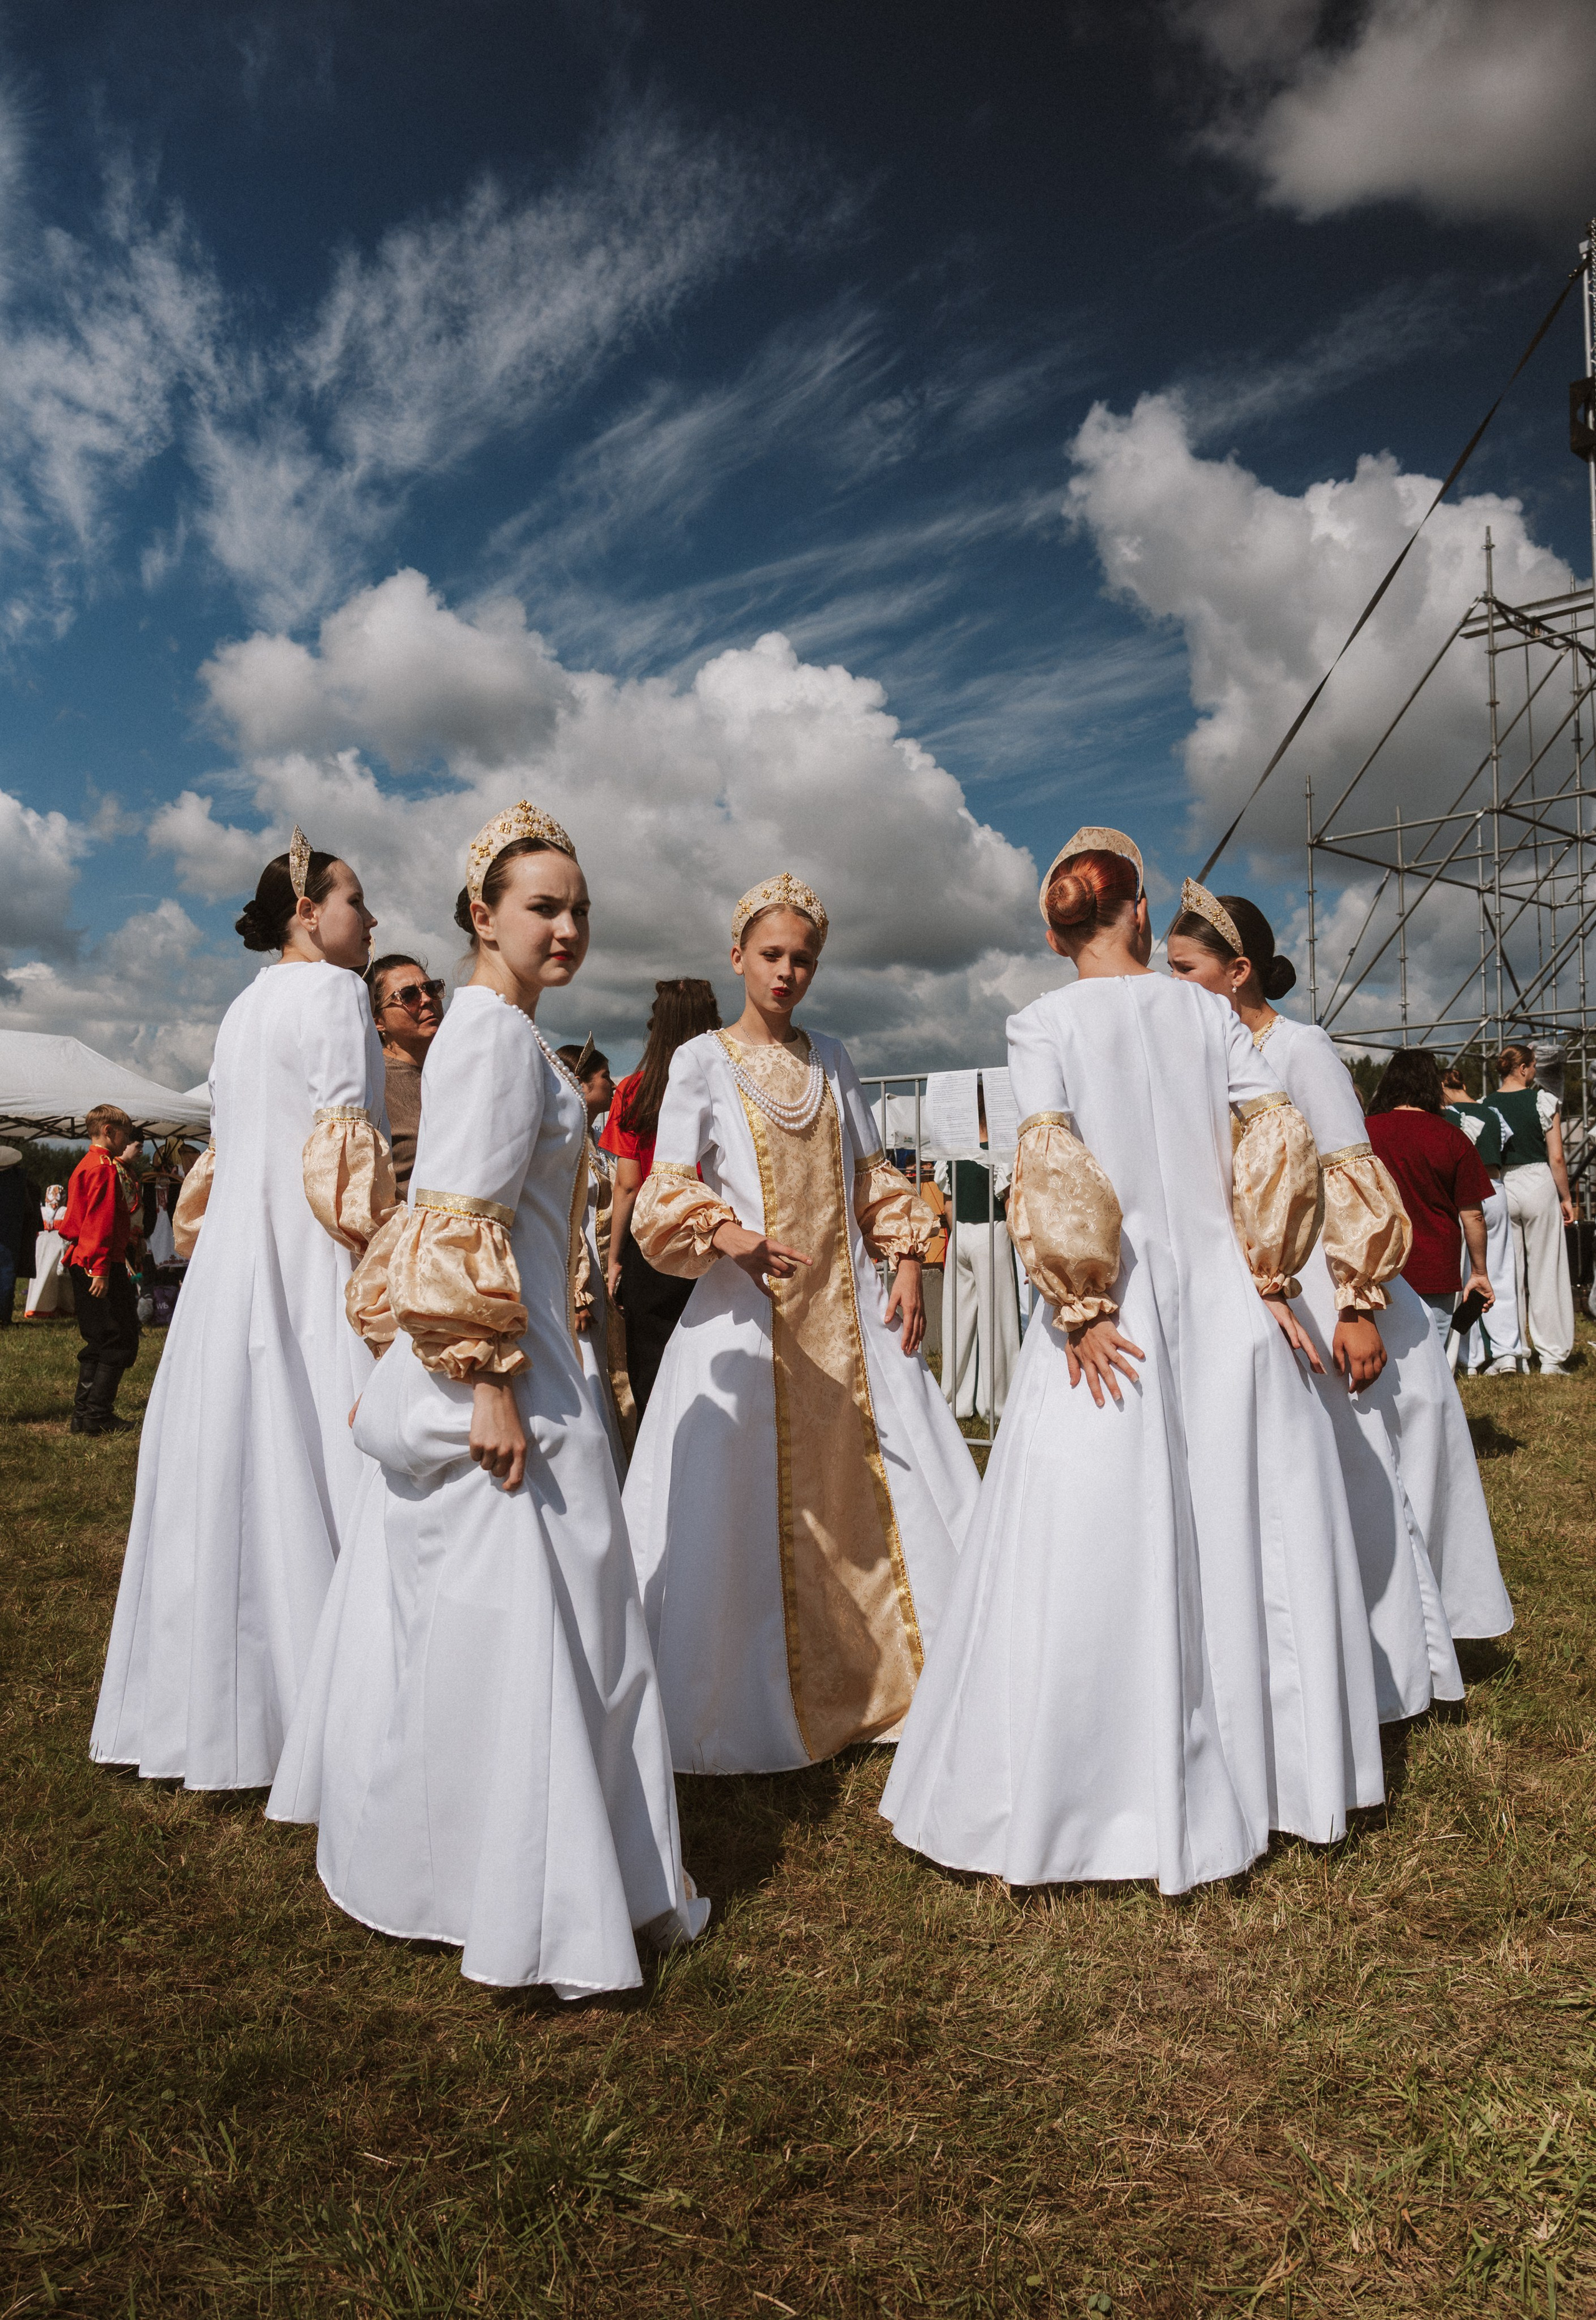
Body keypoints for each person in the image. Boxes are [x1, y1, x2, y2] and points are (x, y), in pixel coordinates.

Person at [882, 830, 1384, 1895]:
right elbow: (1278, 1142)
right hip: (1223, 1297)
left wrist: (1078, 1304)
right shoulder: (1208, 1012)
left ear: (1056, 928)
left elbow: (1048, 1157)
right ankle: (1279, 1773)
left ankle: (1098, 1789)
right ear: (1142, 913)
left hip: (1117, 1304)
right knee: (1248, 1525)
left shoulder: (1040, 1021)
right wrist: (1273, 1273)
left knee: (1097, 1535)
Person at [271, 804, 707, 1996]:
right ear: (483, 913)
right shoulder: (495, 1043)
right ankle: (515, 1881)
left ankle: (492, 1862)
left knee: (545, 1626)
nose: (567, 928)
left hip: (531, 1351)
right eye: (542, 906)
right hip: (510, 1370)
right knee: (540, 1621)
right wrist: (487, 1384)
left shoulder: (502, 1036)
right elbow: (455, 1214)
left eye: (578, 910)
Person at [622, 872, 981, 1776]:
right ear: (738, 956)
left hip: (850, 1311)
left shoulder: (835, 1058)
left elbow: (874, 1176)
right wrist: (727, 1232)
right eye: (773, 955)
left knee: (888, 1484)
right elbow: (668, 1186)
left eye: (804, 960)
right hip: (746, 1318)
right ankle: (748, 1692)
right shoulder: (702, 1060)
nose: (788, 973)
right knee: (743, 1508)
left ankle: (903, 1674)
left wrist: (904, 1263)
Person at [90, 830, 393, 1790]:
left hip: (233, 1257)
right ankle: (343, 1693)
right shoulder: (342, 995)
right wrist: (383, 1259)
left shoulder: (241, 1007)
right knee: (323, 1436)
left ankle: (218, 1697)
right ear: (308, 912)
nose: (371, 918)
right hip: (311, 1245)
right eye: (357, 900)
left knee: (231, 1453)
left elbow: (224, 1153)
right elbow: (346, 1145)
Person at [1168, 885, 1508, 1702]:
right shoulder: (1206, 1059)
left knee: (1357, 1473)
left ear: (1239, 970)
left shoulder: (1302, 1048)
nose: (1169, 985)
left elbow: (1353, 1176)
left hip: (1330, 1286)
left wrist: (1358, 1306)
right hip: (1265, 1290)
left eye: (1184, 970)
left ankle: (1396, 1678)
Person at [602, 979, 723, 1418]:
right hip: (715, 1235)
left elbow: (628, 1186)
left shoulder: (633, 1090)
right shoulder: (724, 1083)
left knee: (651, 1365)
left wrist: (616, 1258)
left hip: (652, 1242)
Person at [1364, 1052, 1495, 1347]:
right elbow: (1473, 1215)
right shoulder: (1453, 1137)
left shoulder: (1365, 1131)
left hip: (1379, 1264)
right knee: (1433, 1359)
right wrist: (1479, 1272)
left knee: (1386, 1362)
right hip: (1436, 1267)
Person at [557, 1036, 630, 1471]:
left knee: (605, 1371)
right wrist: (578, 1291)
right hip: (579, 1277)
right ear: (582, 1086)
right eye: (605, 1077)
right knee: (587, 1375)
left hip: (599, 1272)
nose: (614, 1084)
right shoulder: (567, 1147)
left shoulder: (591, 1145)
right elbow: (568, 1221)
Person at [1493, 1042, 1577, 1375]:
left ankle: (1510, 1353)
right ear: (1526, 1068)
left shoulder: (1487, 1104)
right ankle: (1552, 1357)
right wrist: (1566, 1197)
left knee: (1507, 1273)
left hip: (1503, 1183)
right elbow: (1556, 1156)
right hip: (1538, 1181)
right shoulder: (1544, 1100)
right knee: (1547, 1271)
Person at [59, 1107, 143, 1432]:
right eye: (126, 1133)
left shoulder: (87, 1163)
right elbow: (100, 1223)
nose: (129, 1140)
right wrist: (102, 1269)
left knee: (97, 1337)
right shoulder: (105, 1169)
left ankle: (84, 1416)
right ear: (109, 1131)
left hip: (84, 1259)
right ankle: (96, 1415)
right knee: (119, 1337)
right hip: (98, 1263)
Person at [1441, 1064, 1525, 1377]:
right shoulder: (1492, 1113)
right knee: (1500, 1271)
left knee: (1464, 1278)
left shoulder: (1444, 1116)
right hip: (1495, 1189)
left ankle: (1469, 1356)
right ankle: (1507, 1354)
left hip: (1461, 1196)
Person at [945, 1120, 1021, 1425]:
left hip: (960, 1233)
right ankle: (997, 1404)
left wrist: (959, 1235)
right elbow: (1011, 1197)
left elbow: (949, 1202)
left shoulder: (950, 1151)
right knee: (997, 1321)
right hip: (991, 1230)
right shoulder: (1001, 1151)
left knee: (957, 1319)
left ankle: (955, 1401)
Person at [367, 954, 445, 1199]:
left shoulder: (458, 1069)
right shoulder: (372, 1084)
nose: (427, 1000)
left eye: (431, 988)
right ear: (378, 1020)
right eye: (408, 995)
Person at [24, 1181, 70, 1318]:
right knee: (63, 1281)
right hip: (60, 1247)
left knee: (41, 1277)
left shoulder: (41, 1210)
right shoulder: (65, 1211)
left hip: (41, 1248)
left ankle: (36, 1307)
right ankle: (64, 1307)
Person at [0, 1145, 34, 1327]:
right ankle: (4, 1317)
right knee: (6, 1276)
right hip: (10, 1234)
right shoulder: (17, 1181)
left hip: (8, 1235)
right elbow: (29, 1209)